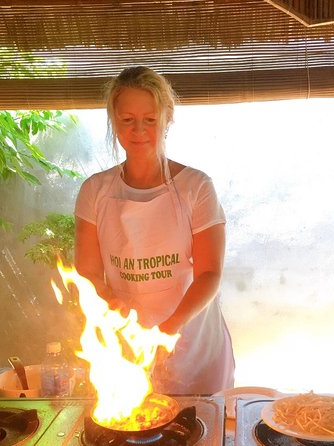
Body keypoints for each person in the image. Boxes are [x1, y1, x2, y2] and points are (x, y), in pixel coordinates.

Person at [74, 66, 235, 395]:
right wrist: (110, 304)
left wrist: (166, 333)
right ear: (114, 121)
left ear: (167, 118)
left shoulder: (196, 187)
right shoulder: (95, 192)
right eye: (127, 120)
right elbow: (88, 270)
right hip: (130, 348)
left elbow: (209, 274)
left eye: (150, 119)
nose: (138, 131)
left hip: (194, 346)